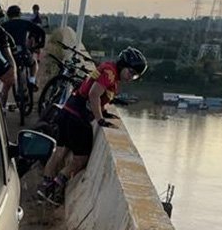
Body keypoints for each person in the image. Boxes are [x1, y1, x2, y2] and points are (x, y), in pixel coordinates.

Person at [37, 47, 148, 205]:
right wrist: (100, 119)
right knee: (81, 159)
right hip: (78, 117)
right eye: (131, 72)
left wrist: (102, 111)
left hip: (68, 110)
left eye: (135, 76)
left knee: (60, 151)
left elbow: (97, 96)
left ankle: (44, 186)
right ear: (123, 65)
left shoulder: (109, 69)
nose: (131, 77)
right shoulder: (110, 73)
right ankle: (54, 187)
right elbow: (94, 94)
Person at [1, 5, 46, 93]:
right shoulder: (24, 23)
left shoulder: (4, 26)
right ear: (19, 14)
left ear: (8, 15)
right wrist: (41, 43)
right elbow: (41, 31)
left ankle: (2, 97)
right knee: (33, 63)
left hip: (10, 56)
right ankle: (32, 81)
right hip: (23, 53)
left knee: (6, 79)